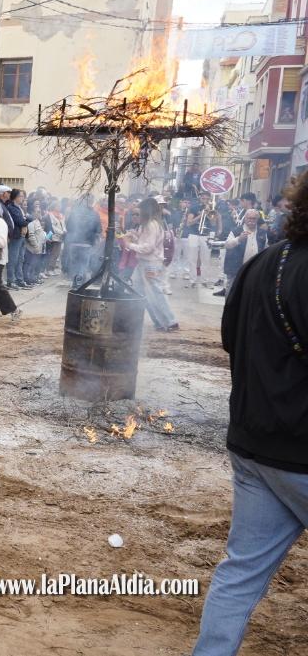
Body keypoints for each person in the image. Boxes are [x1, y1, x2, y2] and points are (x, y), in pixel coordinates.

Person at [191, 173, 308, 656]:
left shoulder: (264, 261)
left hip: (252, 444)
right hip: (299, 454)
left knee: (239, 573)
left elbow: (229, 339)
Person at [120, 198, 178, 332]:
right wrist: (134, 237)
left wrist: (129, 244)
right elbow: (145, 242)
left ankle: (170, 321)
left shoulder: (151, 225)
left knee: (156, 293)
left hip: (151, 264)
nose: (138, 212)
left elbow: (148, 247)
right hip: (143, 263)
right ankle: (158, 322)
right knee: (139, 292)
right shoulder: (146, 224)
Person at [215, 209, 268, 298]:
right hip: (236, 269)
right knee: (232, 293)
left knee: (250, 294)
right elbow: (227, 245)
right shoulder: (236, 231)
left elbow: (266, 249)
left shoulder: (262, 233)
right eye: (249, 218)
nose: (251, 221)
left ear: (257, 219)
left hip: (254, 269)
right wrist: (239, 239)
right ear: (245, 218)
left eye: (254, 218)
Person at [4, 189, 29, 289]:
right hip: (15, 236)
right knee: (13, 259)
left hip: (22, 236)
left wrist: (25, 221)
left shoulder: (19, 207)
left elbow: (28, 219)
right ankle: (11, 280)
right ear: (15, 197)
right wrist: (25, 221)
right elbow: (20, 221)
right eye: (21, 196)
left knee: (20, 259)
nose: (23, 198)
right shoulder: (11, 207)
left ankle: (19, 279)